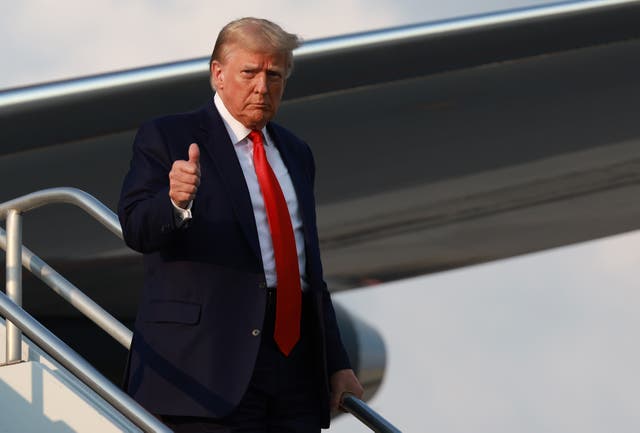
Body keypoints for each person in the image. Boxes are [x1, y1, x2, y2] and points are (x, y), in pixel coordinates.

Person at [118, 17, 363, 432]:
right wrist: (175, 202)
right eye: (249, 72)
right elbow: (137, 229)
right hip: (206, 369)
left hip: (294, 371)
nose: (262, 87)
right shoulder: (167, 136)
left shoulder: (296, 152)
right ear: (218, 74)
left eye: (274, 75)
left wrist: (336, 363)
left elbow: (307, 269)